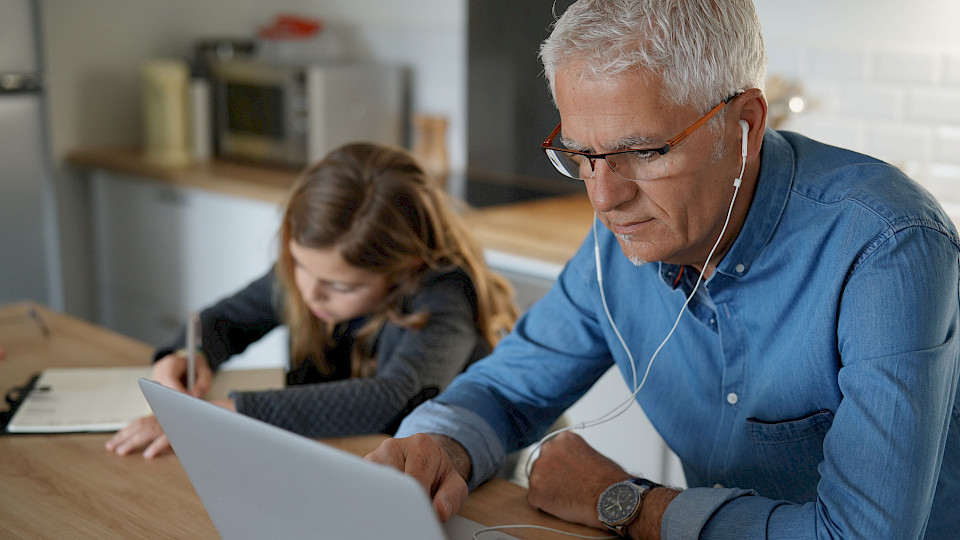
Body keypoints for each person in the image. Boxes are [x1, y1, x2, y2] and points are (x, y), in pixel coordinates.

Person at [365, 1, 960, 539]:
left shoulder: (888, 247)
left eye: (644, 152)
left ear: (746, 123)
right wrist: (439, 446)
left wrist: (622, 502)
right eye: (583, 155)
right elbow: (503, 390)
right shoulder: (624, 236)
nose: (604, 198)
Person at [106, 142, 518, 458]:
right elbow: (222, 321)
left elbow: (391, 397)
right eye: (301, 267)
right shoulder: (313, 272)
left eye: (342, 287)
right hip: (343, 459)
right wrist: (185, 354)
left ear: (405, 268)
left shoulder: (445, 295)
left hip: (473, 481)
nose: (310, 292)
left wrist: (226, 414)